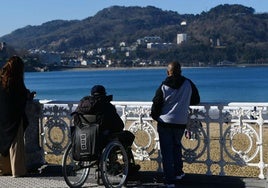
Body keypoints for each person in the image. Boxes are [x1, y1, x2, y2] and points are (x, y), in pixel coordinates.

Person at [151, 62, 200, 187]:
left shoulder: (164, 86)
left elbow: (156, 104)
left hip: (165, 122)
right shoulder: (188, 83)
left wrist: (155, 117)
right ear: (180, 71)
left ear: (168, 72)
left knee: (166, 152)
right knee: (176, 146)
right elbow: (196, 100)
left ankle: (169, 180)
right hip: (180, 122)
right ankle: (178, 172)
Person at [73, 85, 140, 174]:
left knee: (110, 137)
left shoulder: (83, 107)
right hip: (102, 140)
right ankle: (126, 165)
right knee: (127, 136)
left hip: (85, 138)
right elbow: (119, 125)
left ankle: (113, 164)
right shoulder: (107, 106)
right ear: (104, 94)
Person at [0, 56, 35, 177]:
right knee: (16, 143)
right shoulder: (16, 81)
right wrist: (29, 95)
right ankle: (18, 170)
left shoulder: (1, 78)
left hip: (2, 115)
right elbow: (22, 96)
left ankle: (4, 169)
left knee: (3, 142)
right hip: (14, 116)